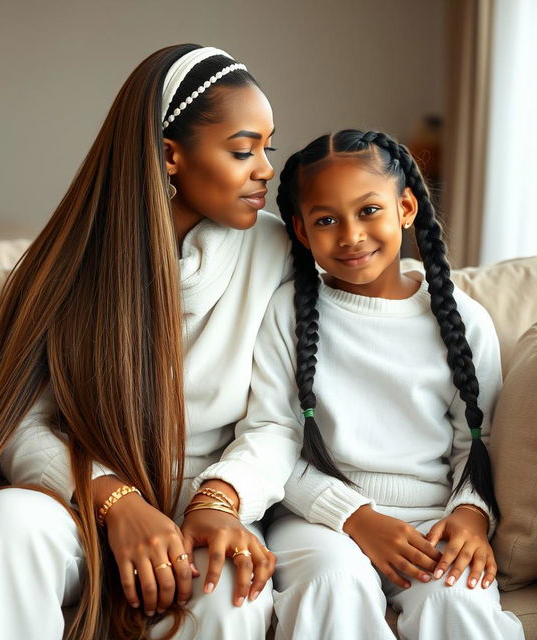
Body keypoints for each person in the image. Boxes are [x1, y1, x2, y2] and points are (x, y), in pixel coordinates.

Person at [0, 44, 292, 640]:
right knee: (3, 524)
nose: (266, 167)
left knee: (231, 595)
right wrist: (116, 503)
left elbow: (278, 423)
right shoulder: (65, 264)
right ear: (170, 156)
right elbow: (23, 424)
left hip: (208, 511)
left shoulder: (278, 255)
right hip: (81, 499)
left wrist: (219, 501)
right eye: (244, 150)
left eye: (267, 147)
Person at [199, 129, 524, 639]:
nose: (351, 235)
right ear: (303, 233)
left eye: (369, 210)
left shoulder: (464, 320)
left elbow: (476, 443)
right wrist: (357, 519)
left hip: (431, 521)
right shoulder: (286, 313)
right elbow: (277, 438)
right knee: (332, 584)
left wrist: (470, 516)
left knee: (458, 600)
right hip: (318, 521)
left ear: (407, 208)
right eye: (327, 220)